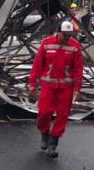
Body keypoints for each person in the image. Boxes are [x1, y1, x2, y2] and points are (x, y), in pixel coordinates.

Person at [27, 20, 84, 159]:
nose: (67, 37)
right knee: (44, 112)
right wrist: (32, 83)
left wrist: (77, 88)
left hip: (66, 88)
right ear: (58, 32)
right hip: (48, 86)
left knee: (62, 115)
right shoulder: (46, 43)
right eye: (64, 35)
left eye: (69, 35)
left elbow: (78, 69)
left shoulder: (75, 46)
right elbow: (37, 64)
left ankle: (53, 143)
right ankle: (44, 133)